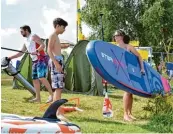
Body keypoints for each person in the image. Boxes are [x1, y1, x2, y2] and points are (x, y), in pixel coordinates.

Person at [8, 25, 53, 103]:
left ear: (26, 30)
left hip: (41, 58)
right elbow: (20, 53)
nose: (21, 33)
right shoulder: (26, 41)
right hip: (34, 61)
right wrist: (10, 58)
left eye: (22, 31)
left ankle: (52, 96)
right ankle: (38, 98)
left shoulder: (33, 36)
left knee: (41, 77)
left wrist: (37, 51)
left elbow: (43, 45)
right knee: (35, 79)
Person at [113, 30, 145, 121]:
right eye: (114, 36)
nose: (115, 37)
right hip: (122, 72)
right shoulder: (114, 48)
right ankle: (125, 114)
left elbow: (139, 56)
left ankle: (129, 113)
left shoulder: (128, 47)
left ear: (122, 36)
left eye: (117, 36)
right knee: (127, 91)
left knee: (130, 93)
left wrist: (142, 68)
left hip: (131, 72)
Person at [47, 18, 69, 102]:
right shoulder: (52, 35)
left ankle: (55, 106)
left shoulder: (56, 37)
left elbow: (55, 47)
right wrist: (56, 63)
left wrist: (64, 46)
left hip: (58, 60)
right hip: (56, 60)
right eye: (63, 27)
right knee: (58, 87)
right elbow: (49, 50)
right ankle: (56, 108)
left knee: (59, 86)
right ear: (57, 26)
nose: (64, 30)